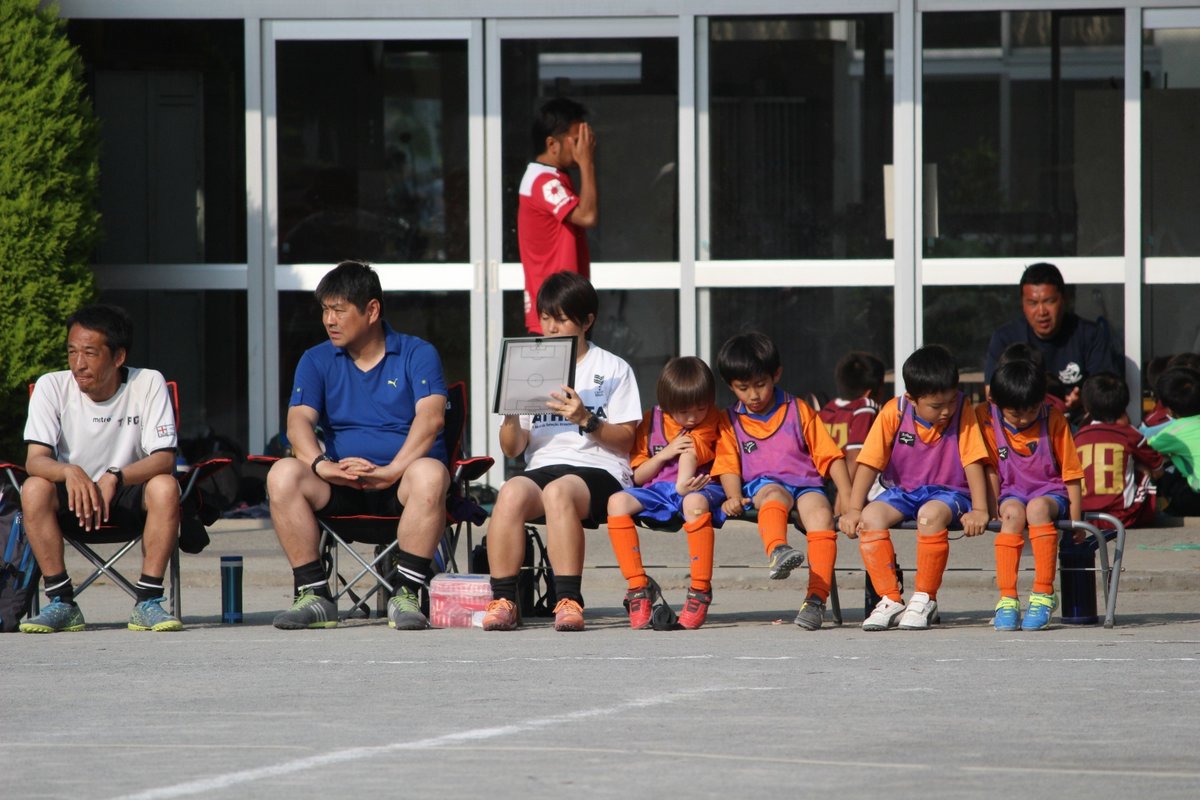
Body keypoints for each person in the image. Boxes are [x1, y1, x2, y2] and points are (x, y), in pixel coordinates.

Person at [266, 261, 450, 631]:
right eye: (324, 310)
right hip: (340, 483)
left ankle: (407, 593)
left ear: (372, 310)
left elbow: (431, 419)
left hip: (402, 487)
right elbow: (297, 422)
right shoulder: (316, 359)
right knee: (282, 473)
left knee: (431, 473)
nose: (329, 320)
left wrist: (392, 471)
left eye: (338, 310)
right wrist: (322, 465)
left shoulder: (417, 353)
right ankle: (314, 594)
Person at [483, 273, 641, 632]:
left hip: (600, 469)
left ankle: (568, 600)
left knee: (559, 491)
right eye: (545, 318)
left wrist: (586, 419)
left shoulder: (613, 368)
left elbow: (626, 440)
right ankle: (504, 599)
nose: (551, 328)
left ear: (587, 321)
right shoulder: (529, 367)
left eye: (562, 319)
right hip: (544, 465)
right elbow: (512, 447)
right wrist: (511, 412)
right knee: (510, 491)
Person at [19, 304, 182, 633]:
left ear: (118, 357)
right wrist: (70, 472)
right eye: (72, 352)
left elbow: (164, 459)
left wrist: (116, 476)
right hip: (71, 500)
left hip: (128, 496)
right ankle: (61, 601)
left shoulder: (148, 382)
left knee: (165, 486)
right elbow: (35, 460)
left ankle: (147, 601)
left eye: (90, 353)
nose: (78, 364)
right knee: (33, 487)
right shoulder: (52, 386)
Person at [838, 345, 991, 631]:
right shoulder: (893, 411)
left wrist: (981, 509)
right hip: (903, 491)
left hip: (950, 493)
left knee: (929, 516)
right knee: (870, 518)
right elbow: (869, 462)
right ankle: (889, 598)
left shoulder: (963, 410)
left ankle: (925, 597)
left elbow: (973, 460)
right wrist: (854, 508)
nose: (946, 411)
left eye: (951, 401)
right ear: (911, 399)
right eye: (936, 406)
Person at [712, 333, 852, 631]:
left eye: (760, 384)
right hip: (763, 486)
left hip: (807, 485)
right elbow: (727, 464)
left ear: (776, 374)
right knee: (774, 494)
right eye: (743, 388)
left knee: (821, 514)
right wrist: (733, 495)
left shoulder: (798, 409)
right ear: (729, 385)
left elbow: (830, 457)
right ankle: (778, 550)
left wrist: (850, 503)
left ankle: (816, 599)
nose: (753, 395)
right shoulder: (729, 420)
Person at [606, 357, 726, 629]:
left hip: (700, 486)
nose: (693, 417)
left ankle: (700, 589)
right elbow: (638, 476)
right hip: (659, 490)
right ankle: (638, 587)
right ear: (667, 405)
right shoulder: (650, 420)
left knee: (694, 502)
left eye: (700, 408)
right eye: (683, 412)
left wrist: (684, 484)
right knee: (616, 502)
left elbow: (692, 450)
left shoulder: (712, 417)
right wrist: (664, 454)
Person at [976, 358, 1084, 631]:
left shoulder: (1054, 420)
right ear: (995, 403)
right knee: (1012, 514)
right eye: (1015, 414)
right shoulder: (986, 420)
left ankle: (1043, 593)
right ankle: (1007, 598)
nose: (1024, 419)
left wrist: (1076, 521)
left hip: (1050, 493)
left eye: (1032, 410)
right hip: (1011, 494)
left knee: (1037, 509)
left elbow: (1071, 474)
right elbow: (989, 469)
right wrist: (990, 509)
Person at [984, 262, 1121, 418]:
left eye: (1049, 301)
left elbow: (1108, 393)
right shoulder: (1005, 338)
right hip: (1022, 424)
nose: (1042, 311)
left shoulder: (1090, 335)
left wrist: (1085, 401)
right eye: (1033, 303)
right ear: (1022, 303)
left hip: (1077, 423)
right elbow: (992, 396)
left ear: (1064, 299)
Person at [517, 97, 597, 335]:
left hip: (566, 310)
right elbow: (588, 216)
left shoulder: (551, 177)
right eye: (577, 140)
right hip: (555, 317)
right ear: (552, 144)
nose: (584, 146)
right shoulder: (543, 182)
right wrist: (587, 163)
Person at [1076, 372, 1163, 528]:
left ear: (1086, 407)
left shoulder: (1077, 437)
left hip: (1083, 515)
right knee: (1144, 470)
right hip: (1121, 517)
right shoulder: (1129, 434)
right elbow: (1158, 469)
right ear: (1125, 405)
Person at [819, 351, 885, 515]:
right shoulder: (866, 406)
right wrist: (843, 496)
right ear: (869, 393)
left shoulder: (828, 410)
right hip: (848, 488)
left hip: (824, 485)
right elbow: (854, 455)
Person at [1144, 366, 1200, 517]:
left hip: (1195, 499)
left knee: (1162, 466)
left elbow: (1143, 449)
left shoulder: (1173, 433)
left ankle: (1166, 510)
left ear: (1168, 410)